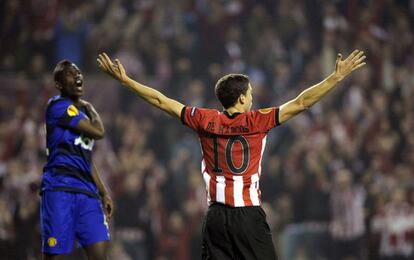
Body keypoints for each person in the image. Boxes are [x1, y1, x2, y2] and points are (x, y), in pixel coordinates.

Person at [97, 50, 366, 259]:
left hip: (216, 218)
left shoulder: (204, 119)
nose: (252, 97)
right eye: (249, 94)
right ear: (240, 99)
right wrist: (336, 77)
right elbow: (302, 102)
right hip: (248, 214)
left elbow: (161, 101)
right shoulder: (258, 121)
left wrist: (126, 81)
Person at [40, 59, 113, 260]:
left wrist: (103, 192)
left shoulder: (77, 114)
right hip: (59, 189)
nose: (78, 75)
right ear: (59, 84)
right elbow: (98, 131)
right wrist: (90, 108)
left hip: (87, 194)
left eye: (78, 72)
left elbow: (86, 159)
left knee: (100, 254)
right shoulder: (57, 106)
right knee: (56, 257)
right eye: (70, 73)